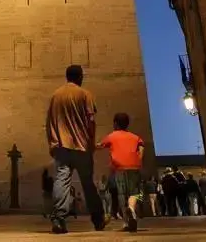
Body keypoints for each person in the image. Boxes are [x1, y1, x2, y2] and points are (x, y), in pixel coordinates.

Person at [45, 64, 106, 234]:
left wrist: (52, 143)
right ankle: (98, 219)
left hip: (61, 147)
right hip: (82, 147)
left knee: (61, 181)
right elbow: (91, 121)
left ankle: (58, 219)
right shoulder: (85, 94)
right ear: (80, 77)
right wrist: (92, 143)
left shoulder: (55, 95)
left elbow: (49, 122)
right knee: (88, 184)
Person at [96, 112, 145, 232]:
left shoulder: (112, 136)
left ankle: (126, 222)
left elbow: (100, 145)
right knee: (134, 192)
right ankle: (132, 210)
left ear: (115, 123)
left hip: (119, 167)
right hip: (134, 166)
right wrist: (138, 159)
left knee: (122, 194)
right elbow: (141, 147)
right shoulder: (135, 137)